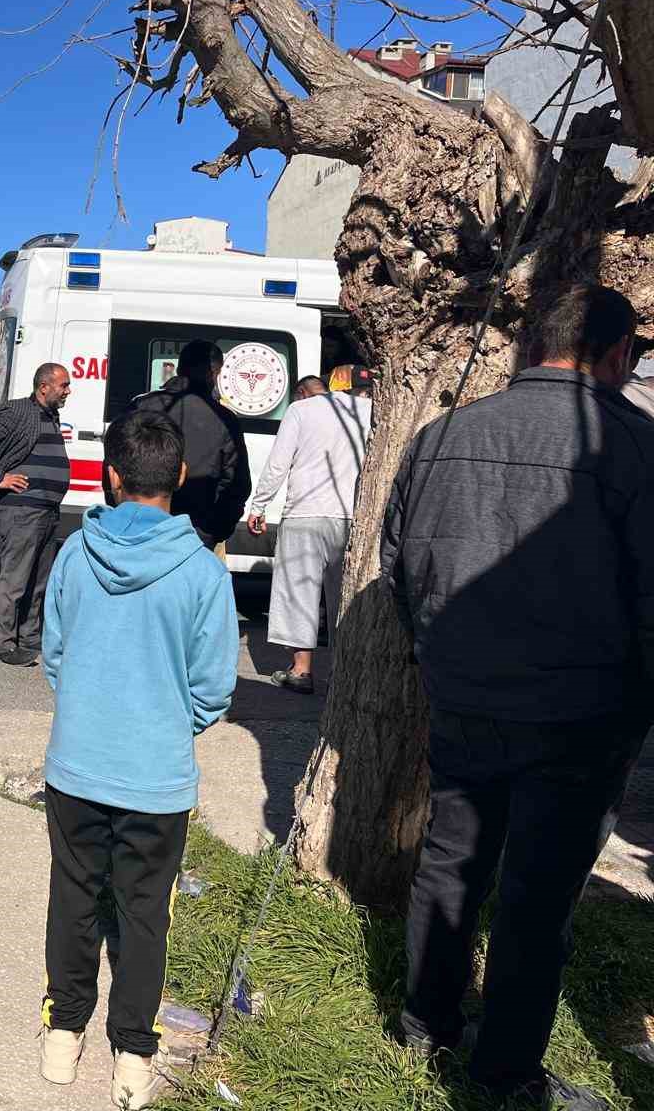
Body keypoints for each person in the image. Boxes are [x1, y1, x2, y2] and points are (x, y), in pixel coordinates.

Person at [386, 284, 654, 1109]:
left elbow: (400, 569)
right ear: (616, 357)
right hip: (581, 714)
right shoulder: (636, 445)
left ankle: (425, 1023)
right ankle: (504, 1072)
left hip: (465, 694)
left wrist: (439, 656)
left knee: (451, 860)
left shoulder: (441, 436)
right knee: (537, 895)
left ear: (533, 346)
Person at [37, 412, 238, 1109]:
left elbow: (54, 655)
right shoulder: (204, 573)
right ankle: (132, 1053)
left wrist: (95, 709)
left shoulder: (73, 553)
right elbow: (212, 690)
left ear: (111, 476)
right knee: (145, 913)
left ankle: (63, 1034)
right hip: (156, 777)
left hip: (77, 766)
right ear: (179, 478)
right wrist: (164, 723)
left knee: (74, 898)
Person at [247, 366, 373, 694]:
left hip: (303, 513)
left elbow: (278, 463)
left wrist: (259, 505)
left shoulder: (303, 409)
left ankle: (301, 670)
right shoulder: (374, 413)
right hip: (351, 518)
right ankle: (344, 676)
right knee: (344, 599)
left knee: (298, 593)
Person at [0, 362, 72, 666]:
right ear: (44, 387)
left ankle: (29, 638)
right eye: (63, 385)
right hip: (23, 510)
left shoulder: (51, 415)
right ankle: (2, 645)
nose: (68, 391)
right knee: (15, 579)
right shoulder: (18, 411)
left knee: (40, 580)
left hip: (48, 511)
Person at [133, 340, 251, 552]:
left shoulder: (140, 406)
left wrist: (126, 514)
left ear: (179, 368)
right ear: (214, 372)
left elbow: (116, 465)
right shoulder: (223, 419)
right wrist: (213, 531)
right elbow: (237, 484)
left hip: (140, 529)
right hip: (194, 535)